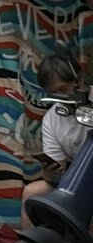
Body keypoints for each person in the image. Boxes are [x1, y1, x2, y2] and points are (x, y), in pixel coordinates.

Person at [23, 52, 90, 227]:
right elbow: (59, 168)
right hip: (78, 182)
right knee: (31, 192)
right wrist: (49, 174)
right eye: (52, 92)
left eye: (63, 90)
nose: (59, 97)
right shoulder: (51, 118)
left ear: (80, 80)